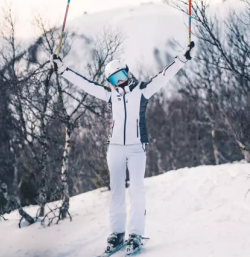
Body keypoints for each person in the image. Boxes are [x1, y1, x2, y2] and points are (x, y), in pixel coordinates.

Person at [50, 41, 195, 255]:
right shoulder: (111, 95)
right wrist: (62, 70)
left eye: (120, 76)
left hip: (137, 148)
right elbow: (85, 84)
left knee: (136, 190)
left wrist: (183, 58)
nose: (118, 82)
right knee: (117, 192)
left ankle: (135, 234)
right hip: (115, 148)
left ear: (127, 72)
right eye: (113, 80)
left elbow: (164, 76)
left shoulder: (142, 91)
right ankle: (117, 233)